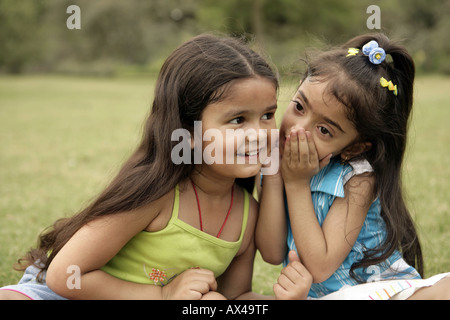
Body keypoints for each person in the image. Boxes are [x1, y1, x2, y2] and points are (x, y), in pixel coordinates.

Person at [0, 33, 292, 300]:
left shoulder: (247, 214)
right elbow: (65, 276)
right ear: (188, 134)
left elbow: (234, 298)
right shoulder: (157, 195)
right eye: (238, 120)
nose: (260, 133)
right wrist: (163, 295)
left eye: (267, 115)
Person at [257, 33, 450, 300]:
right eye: (299, 107)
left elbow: (320, 266)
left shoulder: (357, 179)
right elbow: (270, 252)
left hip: (378, 290)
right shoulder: (273, 165)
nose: (298, 130)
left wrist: (297, 183)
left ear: (354, 147)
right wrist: (276, 177)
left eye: (324, 130)